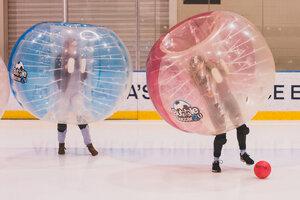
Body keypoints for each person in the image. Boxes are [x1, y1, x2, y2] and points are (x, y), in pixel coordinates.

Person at [189, 56, 254, 173]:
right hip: (214, 105)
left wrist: (215, 66)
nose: (197, 66)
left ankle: (243, 153)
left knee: (242, 127)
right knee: (221, 136)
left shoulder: (214, 69)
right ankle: (216, 161)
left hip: (228, 97)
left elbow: (225, 74)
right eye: (195, 65)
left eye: (198, 63)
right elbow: (205, 91)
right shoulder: (198, 78)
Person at [54, 38, 98, 156]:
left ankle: (89, 144)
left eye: (76, 46)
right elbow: (56, 75)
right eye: (73, 46)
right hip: (64, 92)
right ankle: (61, 145)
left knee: (81, 117)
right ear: (67, 46)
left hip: (77, 92)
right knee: (62, 117)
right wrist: (65, 69)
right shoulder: (60, 58)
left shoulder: (79, 58)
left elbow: (85, 75)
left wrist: (82, 69)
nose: (75, 48)